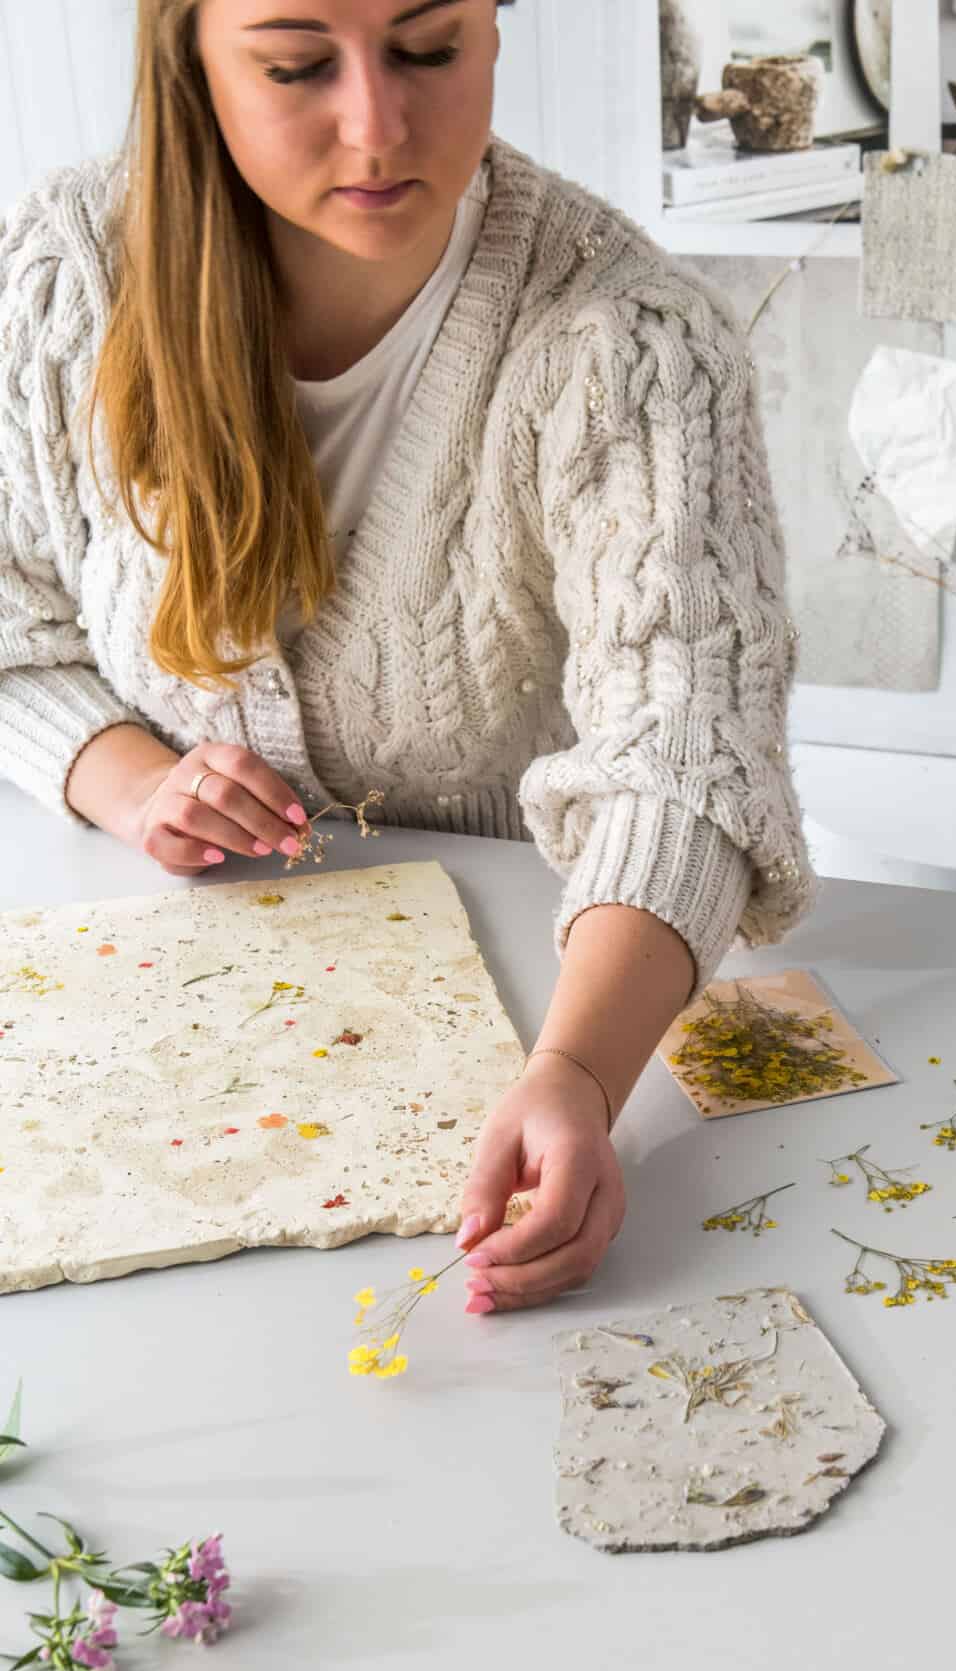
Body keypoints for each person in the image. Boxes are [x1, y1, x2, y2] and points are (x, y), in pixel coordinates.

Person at [0, 0, 814, 1313]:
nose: (378, 126)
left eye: (430, 48)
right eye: (295, 65)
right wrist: (132, 780)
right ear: (191, 58)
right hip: (150, 996)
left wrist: (577, 1080)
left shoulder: (634, 342)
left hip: (518, 1006)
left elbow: (690, 764)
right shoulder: (68, 271)